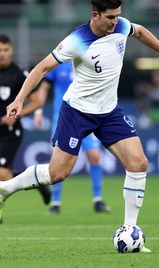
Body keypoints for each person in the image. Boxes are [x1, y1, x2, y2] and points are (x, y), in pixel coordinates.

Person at [0, 0, 159, 253]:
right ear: (95, 15)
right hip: (77, 111)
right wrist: (20, 99)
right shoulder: (77, 40)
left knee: (139, 163)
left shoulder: (121, 26)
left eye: (118, 16)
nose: (116, 21)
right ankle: (1, 191)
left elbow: (139, 32)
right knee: (56, 174)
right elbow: (42, 68)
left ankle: (130, 230)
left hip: (109, 112)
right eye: (110, 17)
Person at [0, 33, 51, 224]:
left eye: (6, 50)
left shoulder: (19, 75)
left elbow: (37, 102)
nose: (2, 54)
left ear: (11, 51)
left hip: (10, 132)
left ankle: (35, 183)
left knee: (1, 175)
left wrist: (17, 115)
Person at [33, 60, 111, 214]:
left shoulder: (90, 63)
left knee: (95, 156)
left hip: (87, 117)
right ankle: (55, 202)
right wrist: (38, 111)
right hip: (62, 119)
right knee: (57, 161)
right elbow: (44, 87)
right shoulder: (58, 66)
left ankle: (98, 199)